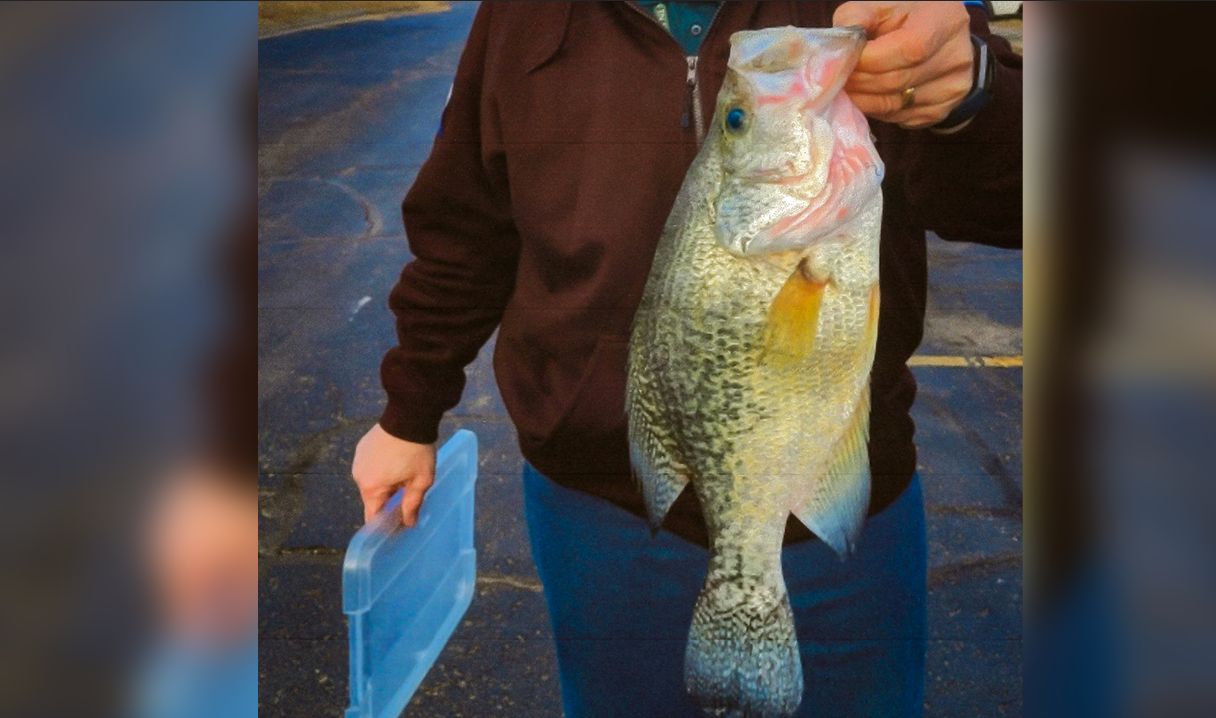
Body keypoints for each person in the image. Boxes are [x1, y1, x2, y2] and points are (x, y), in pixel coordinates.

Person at [351, 1, 1021, 716]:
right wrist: (407, 412)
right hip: (597, 505)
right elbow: (463, 228)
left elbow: (1014, 203)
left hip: (840, 495)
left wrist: (970, 95)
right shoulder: (518, 15)